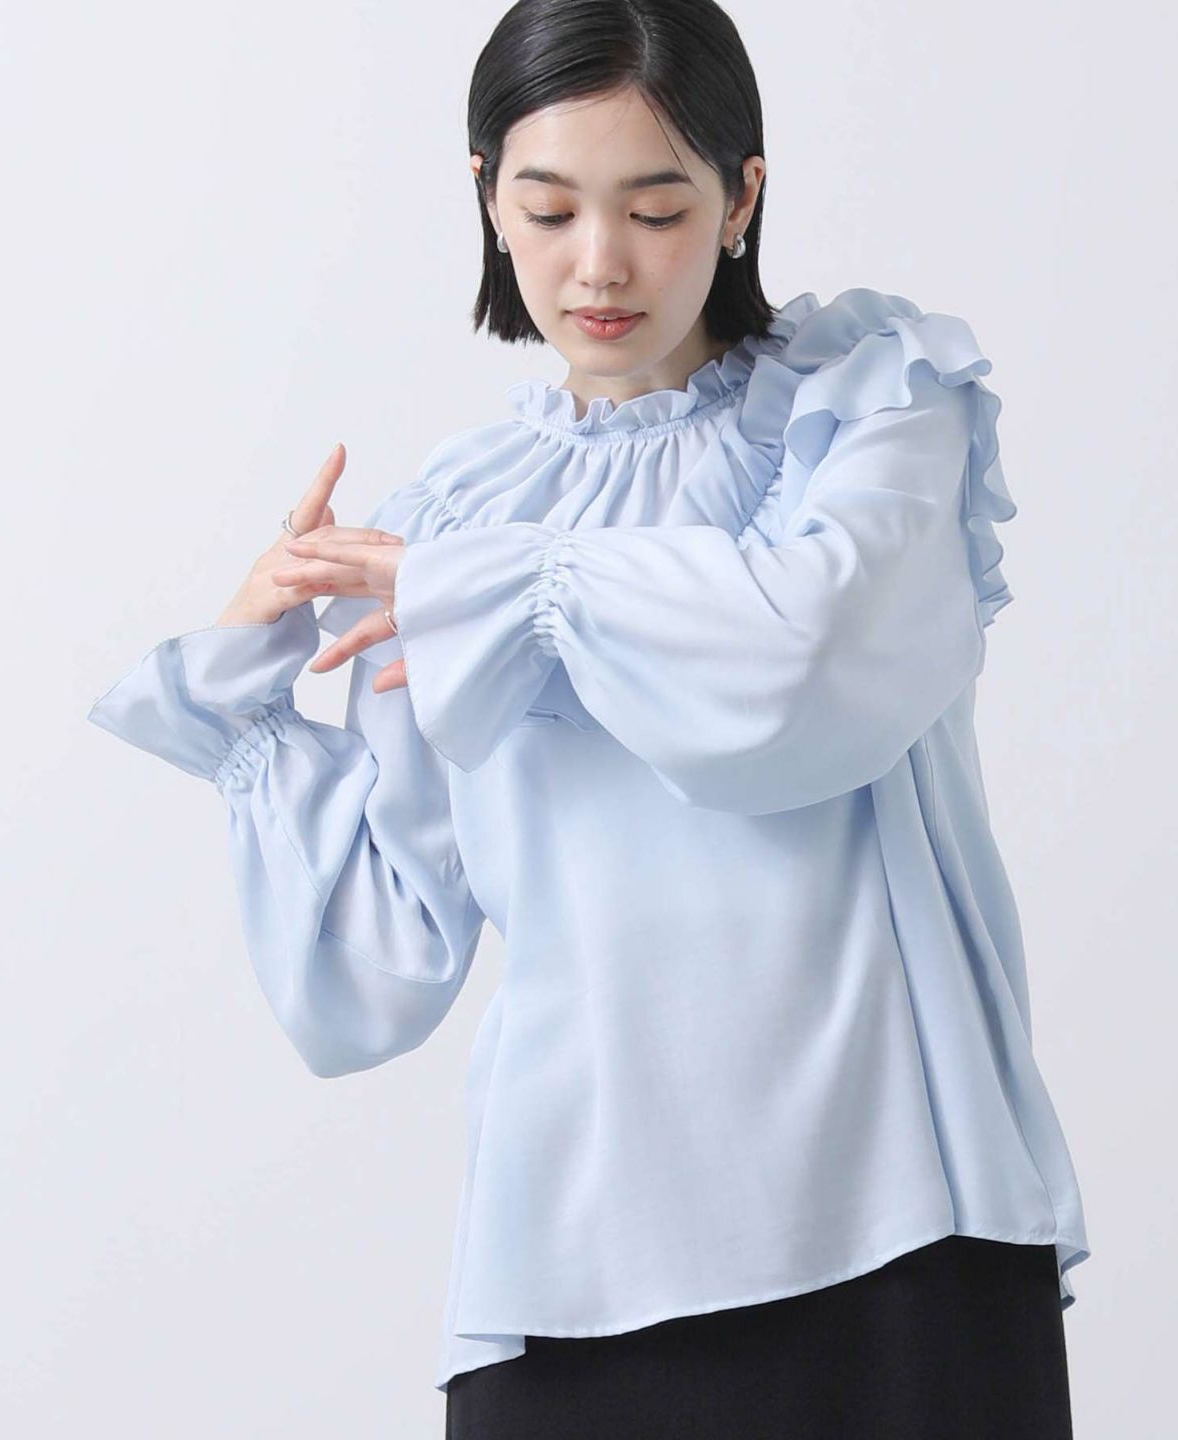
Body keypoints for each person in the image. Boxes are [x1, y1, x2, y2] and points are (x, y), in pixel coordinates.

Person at [87, 1, 1091, 1435]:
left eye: (657, 207)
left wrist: (508, 590)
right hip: (570, 1264)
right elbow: (377, 972)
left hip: (901, 1241)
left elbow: (801, 669)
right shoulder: (451, 525)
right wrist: (244, 695)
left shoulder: (869, 407)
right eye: (550, 209)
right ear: (487, 195)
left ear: (742, 197)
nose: (600, 263)